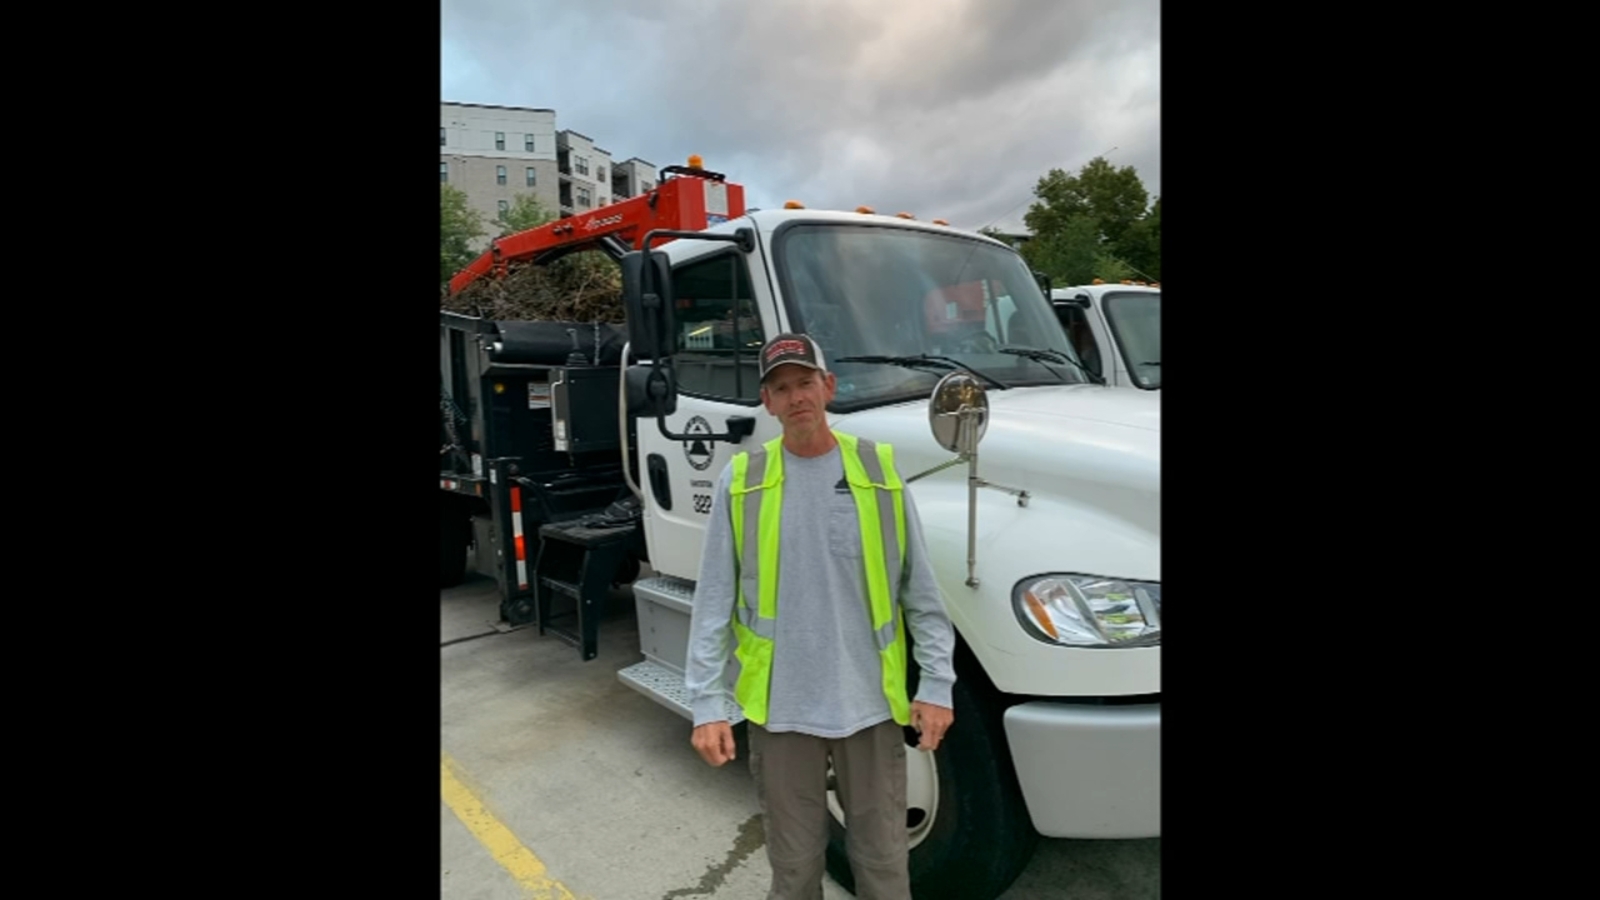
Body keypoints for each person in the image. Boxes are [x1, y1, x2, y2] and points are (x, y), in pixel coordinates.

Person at [683, 332, 958, 900]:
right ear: (768, 402)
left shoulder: (878, 471)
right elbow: (713, 601)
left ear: (827, 386)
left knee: (884, 866)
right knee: (794, 869)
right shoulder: (743, 480)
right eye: (781, 388)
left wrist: (936, 685)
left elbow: (920, 591)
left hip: (870, 708)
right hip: (781, 714)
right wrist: (706, 704)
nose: (796, 397)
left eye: (805, 382)